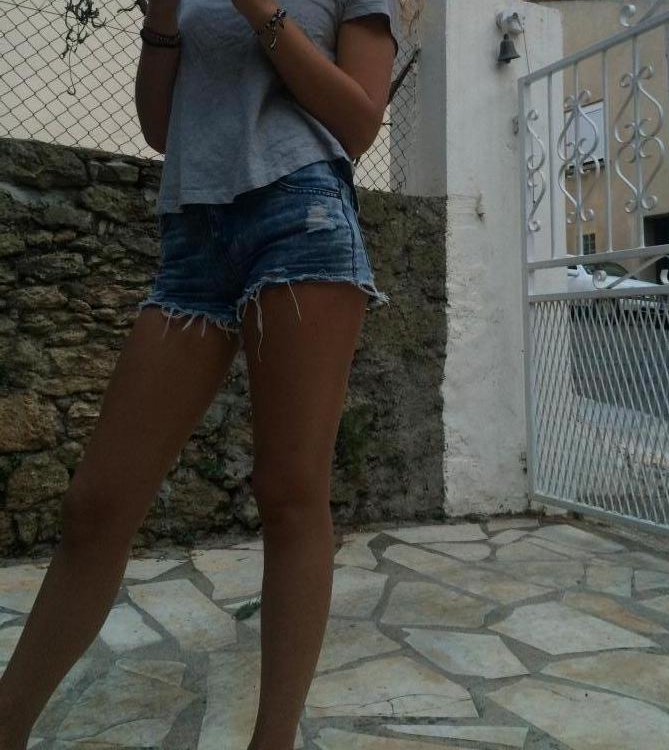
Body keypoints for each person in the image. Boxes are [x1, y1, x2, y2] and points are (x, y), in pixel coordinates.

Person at [0, 0, 415, 746]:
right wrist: (163, 12)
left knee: (289, 493)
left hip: (299, 216)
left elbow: (360, 123)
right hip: (192, 234)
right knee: (97, 505)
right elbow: (161, 128)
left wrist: (258, 8)